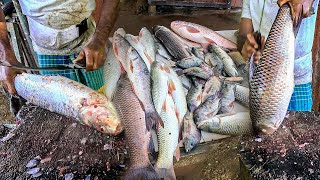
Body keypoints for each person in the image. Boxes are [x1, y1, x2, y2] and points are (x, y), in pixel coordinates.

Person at [0, 0, 119, 114]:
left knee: (102, 106)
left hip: (87, 38)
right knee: (61, 109)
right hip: (45, 48)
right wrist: (5, 55)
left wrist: (99, 39)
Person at [237, 0, 319, 111]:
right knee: (263, 123)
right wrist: (246, 47)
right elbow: (243, 35)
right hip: (261, 79)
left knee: (297, 125)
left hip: (298, 77)